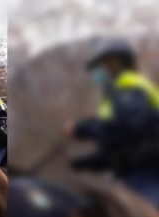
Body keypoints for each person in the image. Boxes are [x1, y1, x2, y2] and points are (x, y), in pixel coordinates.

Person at [67, 38, 159, 207]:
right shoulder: (116, 94)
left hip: (148, 174)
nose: (97, 73)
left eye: (99, 66)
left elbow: (127, 128)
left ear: (114, 62)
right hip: (130, 172)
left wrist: (82, 129)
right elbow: (115, 145)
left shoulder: (130, 87)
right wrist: (80, 163)